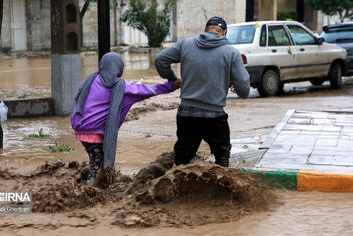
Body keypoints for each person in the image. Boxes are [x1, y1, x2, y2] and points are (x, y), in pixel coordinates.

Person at [71, 52, 180, 185]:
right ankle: (88, 192)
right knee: (98, 167)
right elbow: (149, 90)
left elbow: (78, 98)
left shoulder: (90, 79)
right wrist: (172, 85)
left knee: (95, 159)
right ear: (119, 68)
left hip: (80, 128)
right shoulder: (121, 87)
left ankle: (101, 186)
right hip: (95, 133)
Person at [154, 16, 250, 167]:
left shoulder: (186, 44)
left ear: (205, 31)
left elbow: (160, 60)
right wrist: (235, 86)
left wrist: (172, 79)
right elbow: (244, 87)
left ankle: (178, 188)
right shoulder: (231, 52)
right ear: (224, 33)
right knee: (222, 161)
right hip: (215, 117)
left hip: (186, 115)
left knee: (182, 162)